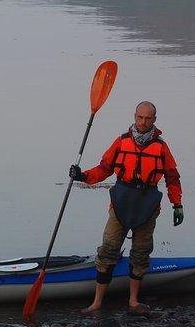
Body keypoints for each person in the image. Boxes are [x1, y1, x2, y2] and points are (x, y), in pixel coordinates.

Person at [69, 101, 183, 315]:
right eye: (140, 117)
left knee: (140, 253)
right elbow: (104, 169)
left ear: (154, 120)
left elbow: (172, 177)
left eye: (148, 118)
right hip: (121, 201)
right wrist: (82, 176)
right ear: (134, 116)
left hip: (147, 203)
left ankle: (133, 301)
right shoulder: (122, 142)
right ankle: (97, 302)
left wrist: (177, 204)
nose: (143, 122)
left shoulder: (161, 146)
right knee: (109, 249)